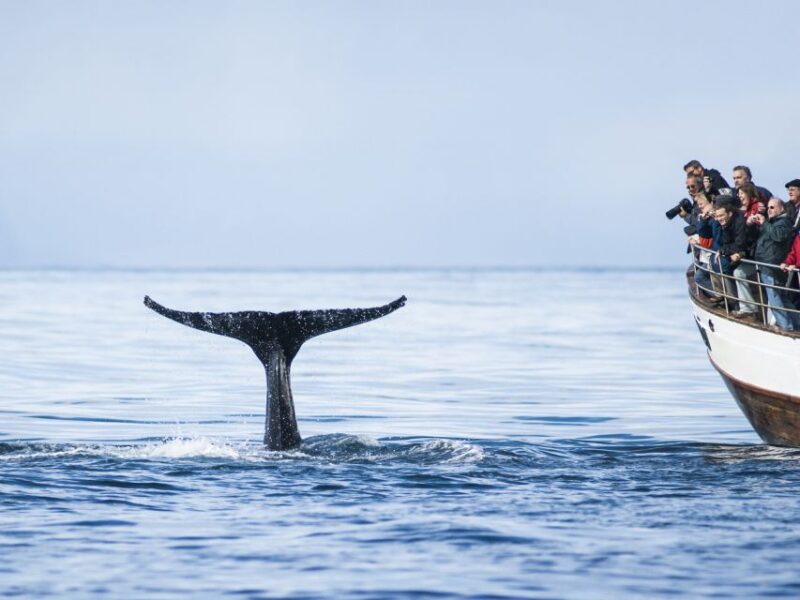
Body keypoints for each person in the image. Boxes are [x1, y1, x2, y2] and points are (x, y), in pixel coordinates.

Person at [733, 199, 796, 329]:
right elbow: (756, 238)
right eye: (768, 207)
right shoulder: (773, 222)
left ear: (781, 209)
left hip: (771, 265)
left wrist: (765, 223)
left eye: (772, 207)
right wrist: (750, 224)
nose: (769, 210)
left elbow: (778, 236)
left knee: (774, 298)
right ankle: (797, 323)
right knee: (782, 298)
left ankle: (786, 326)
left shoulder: (784, 222)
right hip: (766, 265)